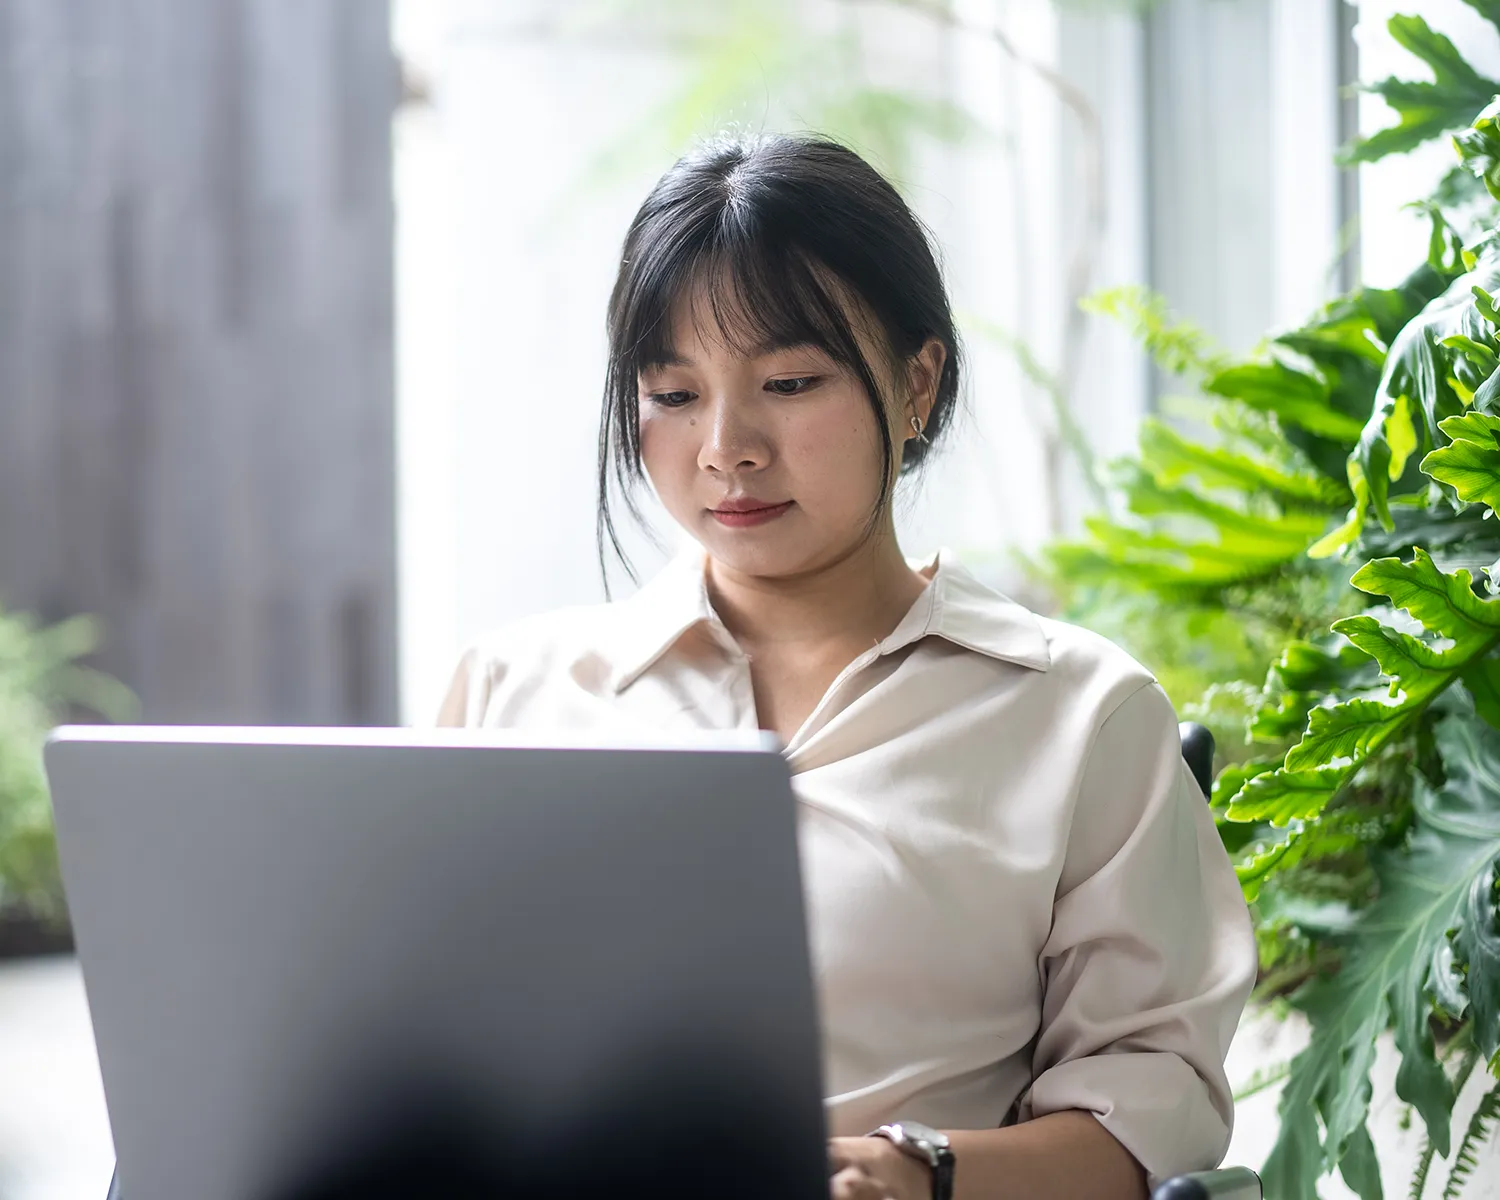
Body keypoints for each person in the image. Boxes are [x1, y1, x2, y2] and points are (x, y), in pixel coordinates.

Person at [438, 133, 1257, 1200]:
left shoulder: (1079, 717)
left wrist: (925, 1172)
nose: (728, 447)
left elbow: (1154, 1119)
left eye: (787, 381)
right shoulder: (514, 692)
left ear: (917, 386)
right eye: (674, 394)